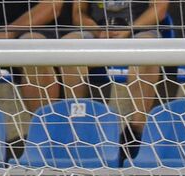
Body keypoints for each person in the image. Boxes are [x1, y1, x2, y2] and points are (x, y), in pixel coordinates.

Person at [62, 0, 168, 140]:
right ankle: (78, 126)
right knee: (67, 46)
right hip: (96, 31)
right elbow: (78, 13)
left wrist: (128, 29)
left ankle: (137, 131)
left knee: (147, 48)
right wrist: (96, 30)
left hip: (140, 29)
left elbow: (159, 9)